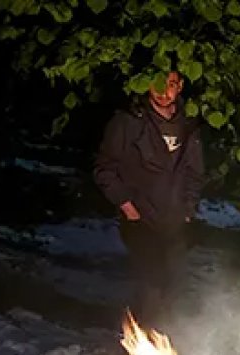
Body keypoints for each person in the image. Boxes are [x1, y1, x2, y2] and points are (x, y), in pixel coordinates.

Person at [94, 71, 204, 339]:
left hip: (175, 221)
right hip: (140, 219)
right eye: (157, 85)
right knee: (152, 286)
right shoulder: (130, 122)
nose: (163, 92)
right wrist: (127, 206)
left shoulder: (188, 124)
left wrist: (188, 209)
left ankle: (168, 354)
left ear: (180, 86)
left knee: (173, 289)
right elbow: (104, 169)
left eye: (170, 85)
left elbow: (195, 172)